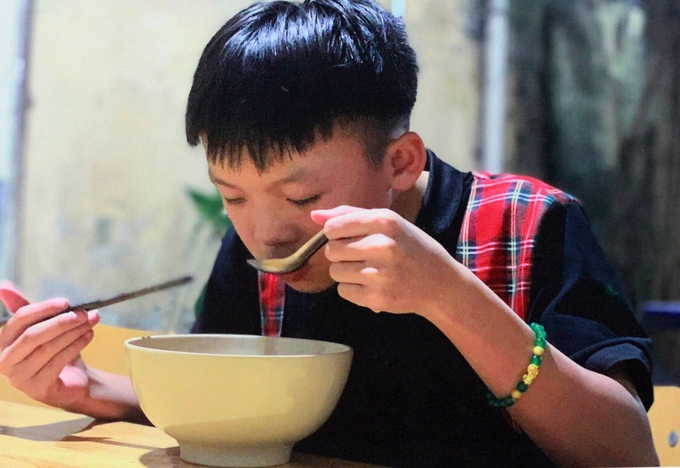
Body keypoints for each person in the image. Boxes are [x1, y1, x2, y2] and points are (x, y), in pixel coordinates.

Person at [0, 0, 659, 466]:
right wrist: (91, 390)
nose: (265, 232)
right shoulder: (259, 249)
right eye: (231, 195)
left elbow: (626, 453)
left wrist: (448, 295)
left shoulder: (528, 222)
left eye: (302, 195)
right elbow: (230, 408)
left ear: (400, 161)